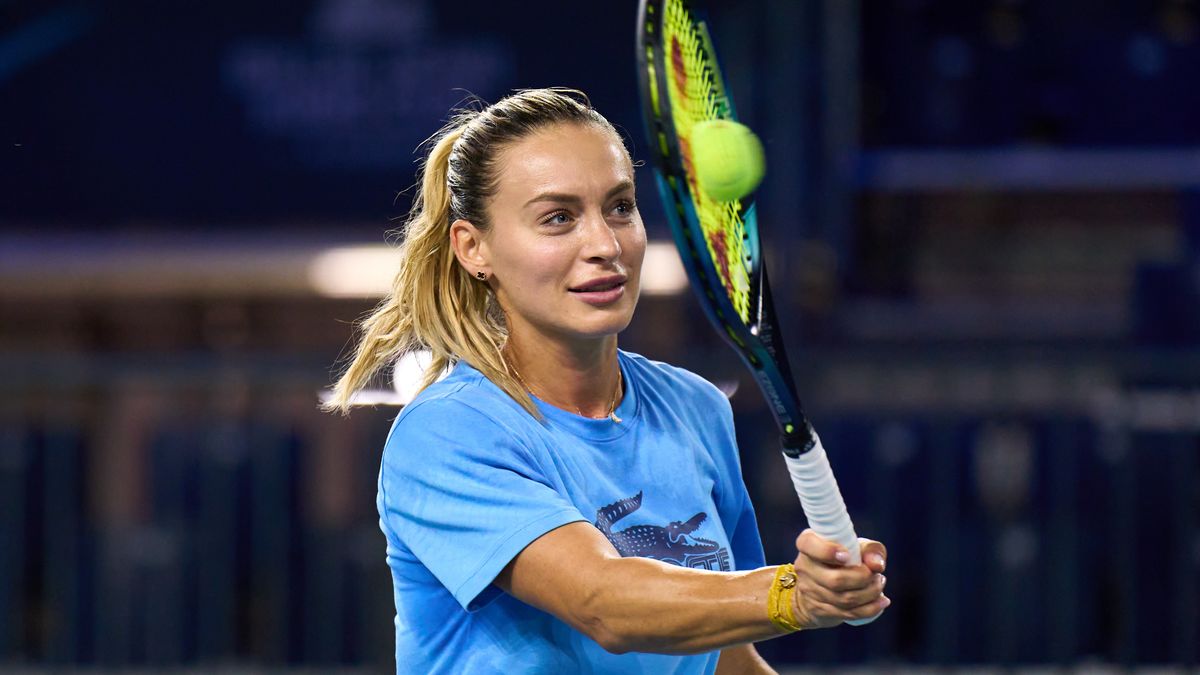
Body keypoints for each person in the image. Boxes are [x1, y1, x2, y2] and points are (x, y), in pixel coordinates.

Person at [324, 88, 889, 674]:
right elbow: (603, 604)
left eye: (620, 207)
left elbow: (720, 658)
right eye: (558, 218)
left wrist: (808, 593)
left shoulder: (695, 408)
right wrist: (794, 595)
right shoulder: (448, 432)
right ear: (474, 248)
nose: (605, 245)